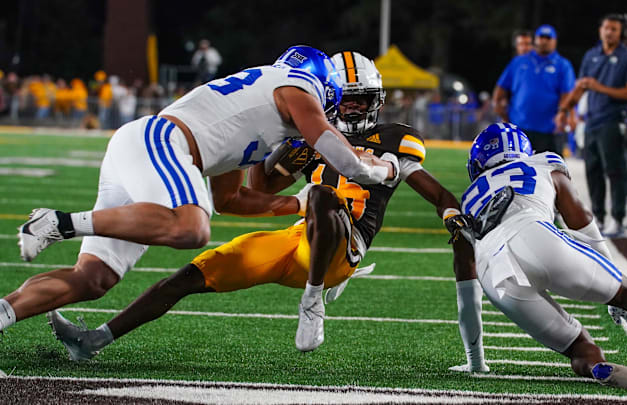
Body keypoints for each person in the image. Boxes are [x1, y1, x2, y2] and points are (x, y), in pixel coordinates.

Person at [46, 51, 487, 371]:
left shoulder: (394, 138)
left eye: (361, 100)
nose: (352, 108)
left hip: (345, 245)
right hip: (298, 239)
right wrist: (279, 159)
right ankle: (94, 340)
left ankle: (313, 301)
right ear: (332, 96)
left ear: (377, 100)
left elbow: (439, 193)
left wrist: (452, 216)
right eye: (346, 99)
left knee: (321, 198)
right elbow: (256, 192)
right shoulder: (308, 133)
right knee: (187, 277)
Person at [0, 46, 399, 338]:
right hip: (162, 140)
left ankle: (5, 312)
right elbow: (352, 165)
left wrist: (298, 202)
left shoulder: (262, 111)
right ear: (324, 86)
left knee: (93, 278)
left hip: (142, 151)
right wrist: (387, 167)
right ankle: (58, 223)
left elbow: (230, 200)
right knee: (192, 228)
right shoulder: (296, 89)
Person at [447, 122, 627, 390]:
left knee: (578, 347)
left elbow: (467, 294)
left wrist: (475, 362)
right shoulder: (542, 164)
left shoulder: (467, 201)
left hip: (495, 276)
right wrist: (614, 284)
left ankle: (601, 369)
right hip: (535, 234)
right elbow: (581, 220)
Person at [556, 14, 627, 237]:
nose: (609, 32)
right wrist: (564, 110)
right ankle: (599, 217)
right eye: (606, 28)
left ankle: (619, 218)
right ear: (600, 30)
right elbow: (581, 86)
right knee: (593, 172)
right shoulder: (592, 55)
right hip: (592, 121)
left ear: (621, 32)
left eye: (613, 29)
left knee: (615, 172)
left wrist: (599, 87)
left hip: (613, 120)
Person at [493, 24, 575, 155]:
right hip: (519, 128)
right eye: (541, 37)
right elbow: (501, 87)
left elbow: (568, 94)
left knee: (551, 172)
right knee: (517, 171)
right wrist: (497, 105)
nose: (544, 41)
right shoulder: (519, 62)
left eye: (548, 38)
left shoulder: (562, 65)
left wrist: (564, 113)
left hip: (549, 129)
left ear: (555, 41)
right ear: (535, 40)